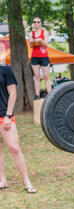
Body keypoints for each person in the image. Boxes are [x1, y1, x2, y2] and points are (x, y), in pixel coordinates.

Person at [0, 44, 36, 193]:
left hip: (4, 115)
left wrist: (8, 115)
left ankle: (27, 181)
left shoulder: (6, 70)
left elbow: (13, 93)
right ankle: (2, 180)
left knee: (14, 148)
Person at [28, 17, 51, 100]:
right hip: (34, 56)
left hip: (44, 56)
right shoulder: (32, 33)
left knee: (46, 76)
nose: (36, 23)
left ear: (40, 23)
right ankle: (37, 94)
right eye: (35, 22)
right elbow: (31, 45)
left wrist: (39, 41)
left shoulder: (44, 32)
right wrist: (36, 42)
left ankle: (50, 93)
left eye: (38, 22)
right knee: (37, 76)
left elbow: (46, 44)